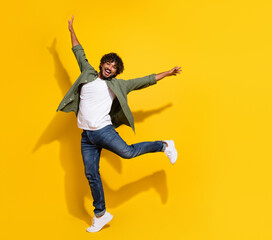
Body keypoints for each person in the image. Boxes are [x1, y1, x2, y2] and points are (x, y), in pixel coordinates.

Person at [56, 15, 182, 233]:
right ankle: (101, 214)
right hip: (87, 136)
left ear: (116, 72)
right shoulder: (87, 73)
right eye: (108, 63)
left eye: (114, 67)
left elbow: (145, 80)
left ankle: (164, 145)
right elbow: (78, 51)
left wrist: (168, 73)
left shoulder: (119, 85)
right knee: (91, 174)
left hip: (104, 131)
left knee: (128, 153)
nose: (109, 68)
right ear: (102, 63)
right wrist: (71, 29)